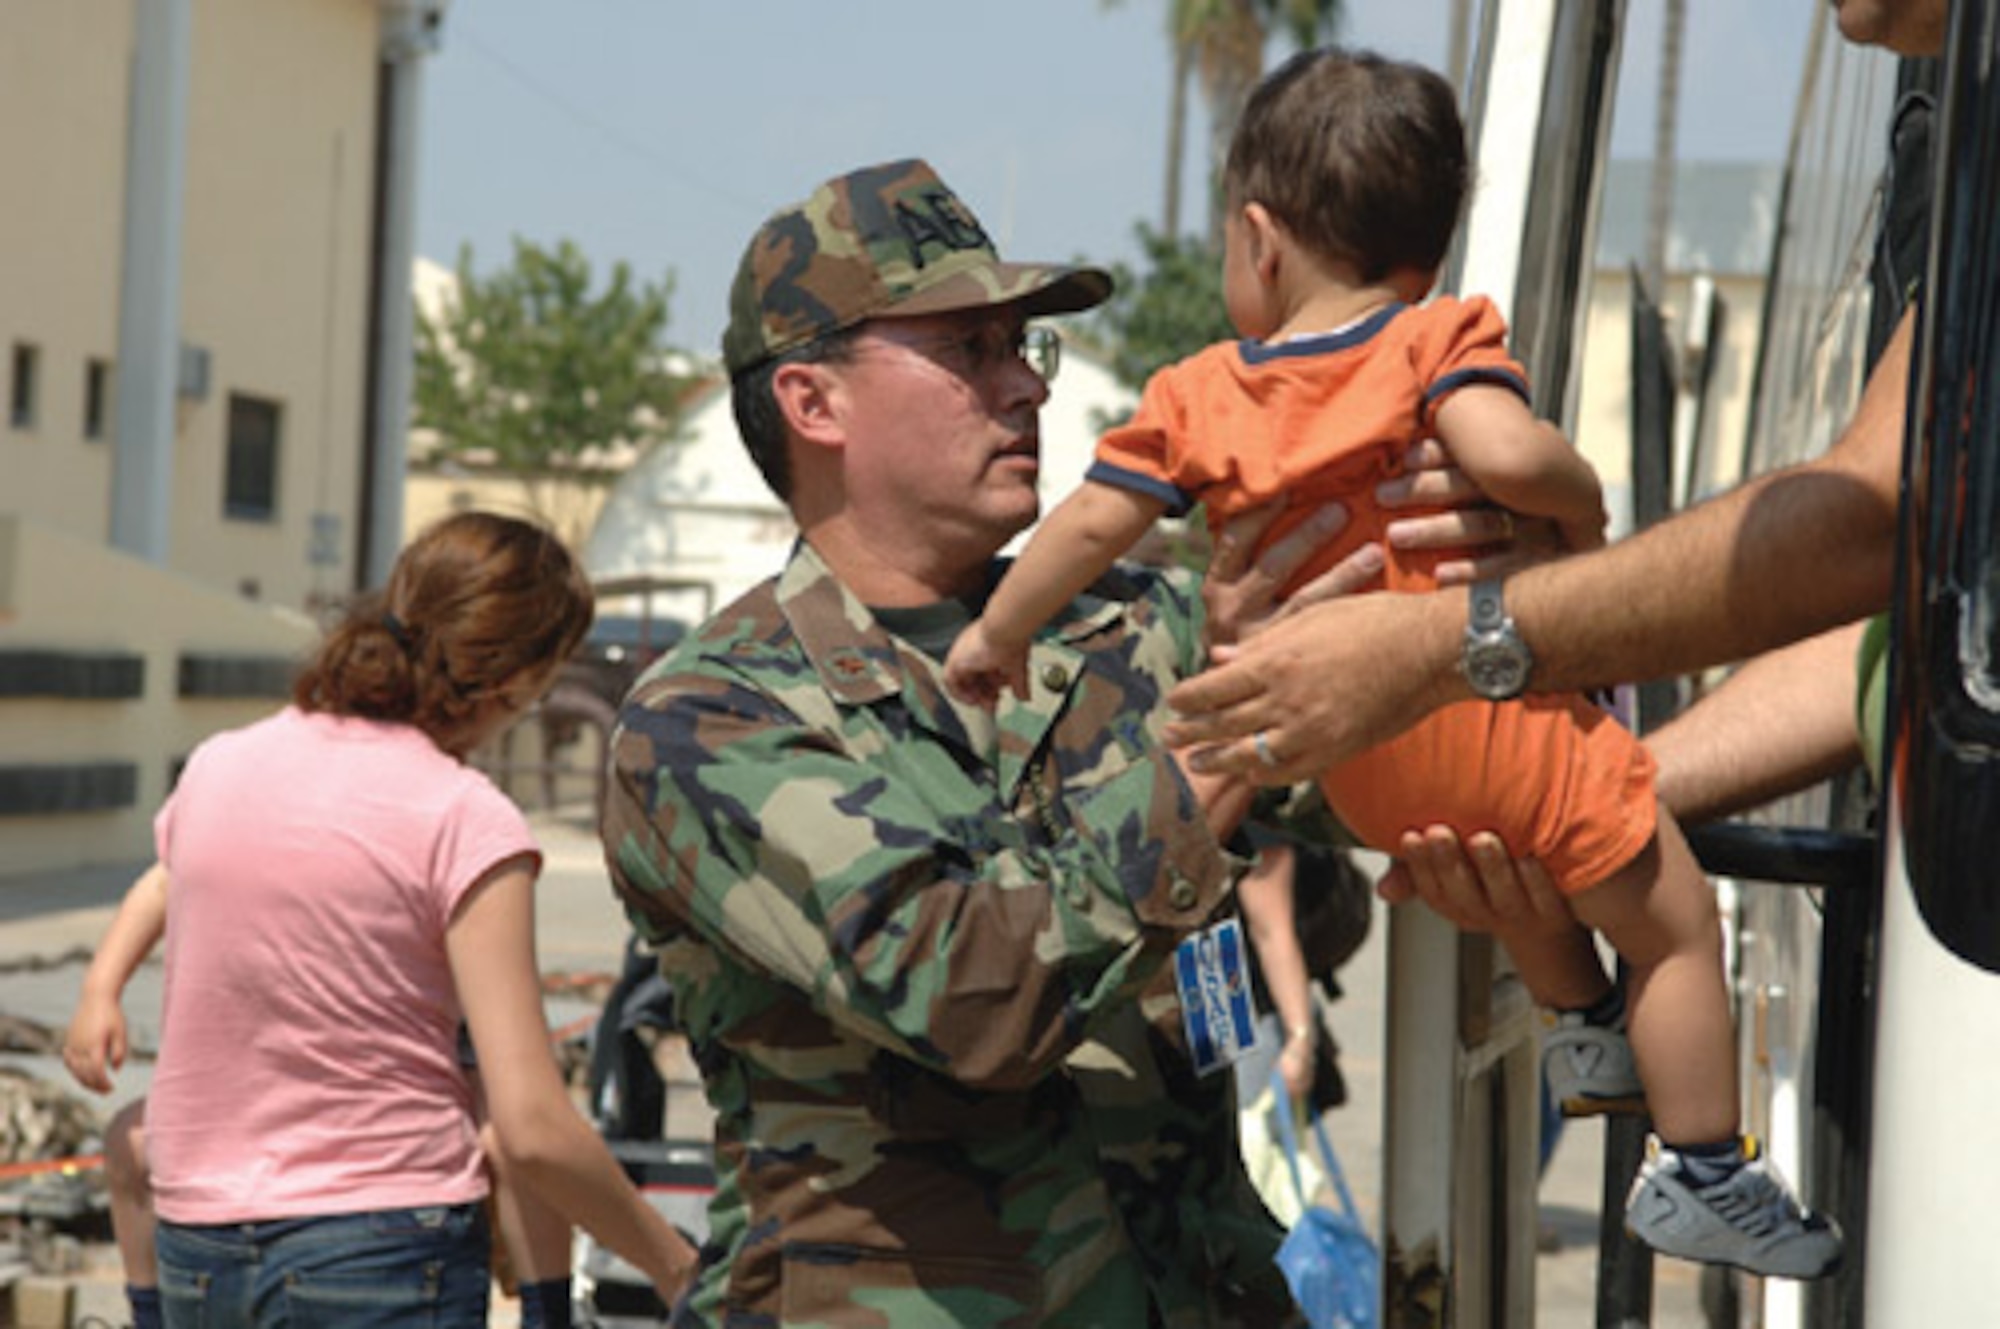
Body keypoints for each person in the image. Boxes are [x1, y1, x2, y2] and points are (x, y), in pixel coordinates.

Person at [937, 48, 1837, 1278]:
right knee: (1672, 925)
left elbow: (1094, 520)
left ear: (1259, 241)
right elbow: (1510, 461)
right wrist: (1583, 510)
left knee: (1505, 851)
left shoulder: (1200, 391)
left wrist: (996, 636)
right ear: (1424, 246)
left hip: (1352, 760)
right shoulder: (1433, 339)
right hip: (1473, 703)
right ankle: (1697, 1165)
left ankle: (1580, 1028)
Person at [598, 156, 1517, 1327]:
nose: (1024, 390)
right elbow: (974, 995)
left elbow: (1394, 801)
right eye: (968, 350)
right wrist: (1235, 732)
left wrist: (1467, 608)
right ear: (810, 403)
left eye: (1022, 349)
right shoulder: (709, 719)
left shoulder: (1141, 627)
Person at [100, 511, 694, 1326]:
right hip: (381, 1246)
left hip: (198, 1246)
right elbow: (529, 1126)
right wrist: (677, 1265)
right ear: (518, 683)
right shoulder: (464, 818)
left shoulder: (218, 766)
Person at [62, 869, 577, 1329]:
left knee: (513, 1146)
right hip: (288, 1047)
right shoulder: (240, 807)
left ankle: (547, 1309)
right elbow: (161, 882)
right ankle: (150, 1316)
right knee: (127, 1140)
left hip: (415, 1033)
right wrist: (100, 991)